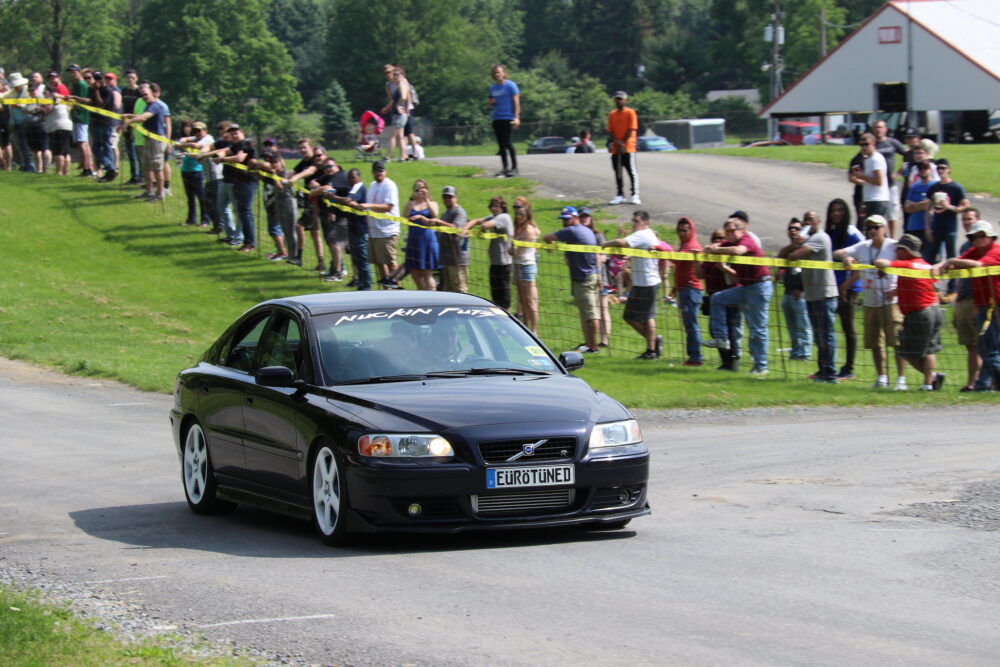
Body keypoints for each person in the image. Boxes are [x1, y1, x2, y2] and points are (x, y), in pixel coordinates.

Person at [835, 214, 907, 390]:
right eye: (869, 228)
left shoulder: (893, 246)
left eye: (876, 227)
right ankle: (882, 376)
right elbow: (837, 252)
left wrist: (899, 290)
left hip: (891, 300)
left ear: (884, 228)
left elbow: (908, 266)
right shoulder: (863, 246)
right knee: (875, 342)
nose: (872, 231)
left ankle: (901, 379)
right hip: (870, 300)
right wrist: (846, 258)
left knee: (896, 340)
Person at [702, 218, 773, 377]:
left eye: (733, 230)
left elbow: (738, 251)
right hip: (746, 287)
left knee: (757, 328)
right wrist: (712, 247)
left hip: (760, 286)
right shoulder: (729, 242)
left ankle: (761, 367)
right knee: (717, 299)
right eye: (727, 231)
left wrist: (716, 251)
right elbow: (711, 248)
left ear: (741, 230)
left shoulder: (747, 240)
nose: (729, 234)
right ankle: (721, 338)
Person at [935, 219, 1000, 392]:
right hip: (985, 306)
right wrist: (943, 264)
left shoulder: (995, 251)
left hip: (996, 306)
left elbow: (978, 265)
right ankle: (982, 385)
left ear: (991, 237)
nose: (978, 240)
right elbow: (959, 261)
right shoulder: (975, 251)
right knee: (987, 348)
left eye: (981, 236)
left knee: (991, 349)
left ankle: (988, 384)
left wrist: (949, 261)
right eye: (973, 237)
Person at [874, 234, 944, 391]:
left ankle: (932, 378)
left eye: (898, 249)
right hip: (934, 309)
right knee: (929, 350)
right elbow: (934, 287)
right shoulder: (925, 265)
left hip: (920, 313)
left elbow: (881, 263)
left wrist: (880, 264)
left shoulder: (907, 265)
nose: (896, 252)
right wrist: (898, 291)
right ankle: (928, 384)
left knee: (906, 351)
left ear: (906, 250)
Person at [788, 210, 840, 382]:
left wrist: (797, 245)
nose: (807, 223)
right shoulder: (808, 240)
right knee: (819, 336)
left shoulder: (820, 238)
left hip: (824, 294)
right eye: (805, 220)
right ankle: (823, 370)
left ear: (819, 221)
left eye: (810, 219)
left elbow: (796, 255)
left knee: (826, 335)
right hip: (812, 294)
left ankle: (830, 373)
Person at [603, 210, 662, 359]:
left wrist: (604, 244)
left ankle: (651, 351)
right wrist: (629, 255)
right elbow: (637, 249)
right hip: (639, 282)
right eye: (633, 221)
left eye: (636, 221)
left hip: (648, 282)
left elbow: (622, 242)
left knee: (647, 316)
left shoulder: (643, 234)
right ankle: (654, 342)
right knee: (629, 316)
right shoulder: (645, 235)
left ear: (645, 223)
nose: (633, 223)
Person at [544, 207, 600, 353]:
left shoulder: (571, 231)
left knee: (590, 314)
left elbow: (547, 237)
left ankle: (593, 347)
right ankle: (589, 344)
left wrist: (550, 245)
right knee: (585, 313)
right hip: (589, 275)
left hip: (584, 278)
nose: (564, 222)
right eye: (563, 219)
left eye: (567, 219)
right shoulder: (585, 229)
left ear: (575, 218)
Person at [946, 208, 988, 390]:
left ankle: (986, 381)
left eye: (969, 219)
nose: (966, 223)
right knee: (970, 345)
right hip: (964, 298)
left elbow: (984, 274)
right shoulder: (965, 246)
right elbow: (960, 274)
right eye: (964, 220)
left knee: (986, 345)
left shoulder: (988, 249)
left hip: (979, 301)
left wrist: (979, 304)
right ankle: (972, 383)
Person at [826, 198, 864, 380]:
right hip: (831, 286)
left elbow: (861, 259)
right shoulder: (830, 233)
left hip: (849, 287)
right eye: (833, 210)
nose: (836, 213)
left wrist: (846, 286)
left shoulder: (852, 233)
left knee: (848, 327)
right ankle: (828, 365)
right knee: (826, 327)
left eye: (840, 210)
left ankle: (849, 368)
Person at [695, 228, 743, 370]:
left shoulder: (729, 256)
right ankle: (725, 361)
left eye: (720, 238)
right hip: (714, 300)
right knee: (715, 330)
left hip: (730, 297)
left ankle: (733, 361)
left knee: (731, 329)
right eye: (714, 238)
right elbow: (700, 275)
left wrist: (723, 267)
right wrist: (696, 259)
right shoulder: (711, 257)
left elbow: (736, 277)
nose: (717, 241)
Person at [925, 157, 970, 301]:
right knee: (930, 257)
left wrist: (949, 207)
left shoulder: (956, 187)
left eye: (943, 168)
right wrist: (927, 227)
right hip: (936, 227)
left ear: (949, 169)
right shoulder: (934, 187)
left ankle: (951, 290)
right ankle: (931, 287)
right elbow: (928, 208)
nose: (941, 171)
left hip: (950, 227)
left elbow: (965, 206)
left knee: (951, 258)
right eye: (938, 168)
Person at [413, 185, 469, 294]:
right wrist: (422, 219)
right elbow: (436, 225)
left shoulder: (459, 212)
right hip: (446, 259)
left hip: (457, 260)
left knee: (460, 292)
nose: (447, 199)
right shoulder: (445, 213)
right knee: (448, 292)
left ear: (456, 198)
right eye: (445, 197)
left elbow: (456, 228)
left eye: (450, 196)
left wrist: (439, 222)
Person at [353, 161, 400, 288]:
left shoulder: (390, 185)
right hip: (373, 230)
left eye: (381, 170)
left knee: (391, 262)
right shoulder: (372, 185)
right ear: (372, 172)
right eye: (376, 170)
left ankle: (398, 291)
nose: (378, 173)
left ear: (385, 171)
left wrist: (367, 206)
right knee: (380, 262)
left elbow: (388, 207)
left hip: (387, 230)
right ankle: (386, 289)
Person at [121, 82, 170, 202]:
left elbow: (143, 117)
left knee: (157, 169)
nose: (144, 97)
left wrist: (128, 122)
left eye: (146, 94)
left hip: (156, 141)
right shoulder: (148, 105)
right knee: (147, 167)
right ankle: (149, 192)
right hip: (147, 140)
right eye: (142, 95)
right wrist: (130, 116)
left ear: (153, 93)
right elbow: (143, 115)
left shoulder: (156, 105)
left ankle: (159, 194)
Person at [465, 196, 514, 309]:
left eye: (496, 206)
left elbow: (485, 225)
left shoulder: (504, 217)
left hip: (504, 264)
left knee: (504, 299)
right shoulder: (494, 217)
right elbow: (477, 221)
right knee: (495, 298)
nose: (493, 208)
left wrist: (482, 229)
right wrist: (465, 229)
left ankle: (508, 320)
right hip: (495, 262)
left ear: (502, 207)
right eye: (491, 206)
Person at [216, 124, 257, 252]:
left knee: (245, 212)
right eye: (232, 133)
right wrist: (216, 155)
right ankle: (244, 240)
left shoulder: (247, 143)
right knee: (241, 212)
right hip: (238, 181)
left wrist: (222, 159)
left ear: (242, 132)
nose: (234, 135)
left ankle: (249, 242)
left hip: (247, 182)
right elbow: (225, 150)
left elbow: (239, 158)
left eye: (236, 133)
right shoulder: (236, 145)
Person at [777, 219, 812, 362]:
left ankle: (805, 353)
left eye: (797, 229)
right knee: (792, 327)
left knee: (803, 325)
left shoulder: (807, 248)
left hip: (800, 293)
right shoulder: (789, 249)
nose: (793, 231)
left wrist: (802, 289)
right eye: (791, 228)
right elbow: (780, 255)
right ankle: (795, 352)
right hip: (787, 292)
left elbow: (808, 271)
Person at [329, 168, 370, 290]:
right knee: (356, 258)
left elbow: (347, 201)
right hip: (353, 228)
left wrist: (332, 196)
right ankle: (359, 282)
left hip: (360, 229)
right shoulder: (352, 188)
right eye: (349, 178)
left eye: (353, 177)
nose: (350, 180)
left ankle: (366, 286)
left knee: (363, 261)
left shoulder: (358, 187)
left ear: (359, 177)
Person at [672, 217, 705, 366]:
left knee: (692, 325)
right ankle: (694, 356)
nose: (682, 233)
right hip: (684, 289)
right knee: (689, 324)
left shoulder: (692, 245)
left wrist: (660, 247)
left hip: (691, 290)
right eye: (679, 231)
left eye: (685, 230)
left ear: (692, 231)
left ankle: (696, 358)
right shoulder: (684, 245)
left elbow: (675, 260)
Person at [580, 208, 611, 346]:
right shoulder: (577, 237)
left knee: (603, 308)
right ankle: (589, 340)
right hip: (583, 277)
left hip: (600, 276)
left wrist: (596, 261)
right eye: (582, 217)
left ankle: (604, 340)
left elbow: (605, 256)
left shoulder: (597, 236)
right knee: (589, 310)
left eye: (587, 216)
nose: (585, 219)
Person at [401, 179, 439, 291]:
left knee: (427, 272)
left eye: (422, 187)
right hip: (413, 240)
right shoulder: (411, 203)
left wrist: (426, 199)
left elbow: (435, 214)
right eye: (417, 187)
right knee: (414, 271)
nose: (420, 190)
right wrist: (412, 198)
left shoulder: (432, 203)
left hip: (427, 240)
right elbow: (404, 215)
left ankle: (433, 298)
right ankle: (423, 295)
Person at [872, 119, 906, 238]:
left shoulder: (892, 143)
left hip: (891, 184)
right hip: (877, 186)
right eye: (876, 127)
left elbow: (907, 155)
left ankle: (892, 238)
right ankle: (881, 237)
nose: (878, 130)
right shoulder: (872, 145)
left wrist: (899, 172)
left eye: (881, 127)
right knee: (880, 214)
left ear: (885, 129)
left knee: (892, 214)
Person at [257, 150, 292, 261]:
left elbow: (280, 188)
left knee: (275, 228)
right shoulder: (268, 172)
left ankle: (282, 252)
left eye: (272, 160)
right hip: (269, 203)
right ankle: (278, 250)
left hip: (277, 204)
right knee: (273, 228)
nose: (267, 162)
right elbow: (260, 176)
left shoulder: (282, 173)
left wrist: (273, 173)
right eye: (266, 159)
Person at [512, 196, 540, 332]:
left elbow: (517, 251)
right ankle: (526, 327)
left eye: (521, 214)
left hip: (527, 266)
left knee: (530, 302)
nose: (519, 216)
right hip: (518, 264)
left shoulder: (528, 229)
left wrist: (511, 249)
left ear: (527, 214)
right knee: (522, 300)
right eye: (517, 214)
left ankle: (534, 330)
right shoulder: (518, 228)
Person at [175, 120, 211, 227]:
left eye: (199, 130)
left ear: (205, 130)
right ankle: (191, 219)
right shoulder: (193, 138)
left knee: (201, 196)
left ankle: (205, 220)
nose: (197, 133)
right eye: (194, 131)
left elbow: (195, 145)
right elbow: (181, 142)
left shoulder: (207, 139)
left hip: (197, 170)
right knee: (190, 197)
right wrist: (183, 141)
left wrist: (183, 144)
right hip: (186, 170)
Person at [848, 132, 890, 222]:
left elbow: (879, 181)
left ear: (873, 144)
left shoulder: (876, 159)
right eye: (861, 145)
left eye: (866, 144)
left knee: (877, 228)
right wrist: (864, 202)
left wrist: (861, 176)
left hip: (878, 200)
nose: (864, 147)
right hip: (870, 199)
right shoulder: (868, 159)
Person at [607, 91, 640, 205]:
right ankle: (620, 194)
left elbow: (631, 129)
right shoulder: (612, 114)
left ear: (625, 100)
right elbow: (610, 131)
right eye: (617, 99)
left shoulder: (630, 113)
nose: (619, 101)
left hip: (628, 147)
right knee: (618, 172)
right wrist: (616, 142)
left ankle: (635, 194)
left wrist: (623, 143)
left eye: (621, 99)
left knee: (631, 171)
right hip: (616, 148)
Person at [488, 64, 520, 178]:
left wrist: (516, 117)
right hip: (497, 118)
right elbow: (490, 102)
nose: (497, 74)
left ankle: (515, 167)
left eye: (499, 72)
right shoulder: (492, 87)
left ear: (504, 73)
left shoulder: (511, 85)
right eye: (495, 73)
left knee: (507, 143)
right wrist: (491, 102)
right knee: (501, 145)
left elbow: (516, 102)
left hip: (508, 118)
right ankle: (505, 168)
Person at [65, 65, 93, 177]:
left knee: (83, 143)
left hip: (82, 116)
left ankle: (88, 169)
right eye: (71, 72)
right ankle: (85, 166)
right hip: (77, 116)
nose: (72, 74)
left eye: (74, 72)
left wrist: (73, 98)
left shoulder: (81, 84)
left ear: (78, 72)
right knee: (80, 143)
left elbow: (85, 100)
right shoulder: (75, 84)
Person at [903, 160, 939, 243]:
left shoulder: (935, 185)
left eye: (925, 168)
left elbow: (933, 204)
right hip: (913, 226)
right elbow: (907, 208)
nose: (922, 170)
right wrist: (923, 205)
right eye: (920, 168)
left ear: (930, 170)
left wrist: (914, 205)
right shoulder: (914, 186)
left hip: (929, 226)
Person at [41, 84, 73, 176]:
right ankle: (66, 172)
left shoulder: (51, 100)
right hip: (67, 126)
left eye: (45, 92)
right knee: (66, 151)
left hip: (57, 127)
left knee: (58, 151)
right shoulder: (63, 100)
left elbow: (47, 111)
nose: (43, 94)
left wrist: (40, 109)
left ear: (50, 92)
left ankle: (58, 172)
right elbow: (69, 108)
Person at [120, 69, 142, 184]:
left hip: (137, 123)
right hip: (126, 123)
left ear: (136, 78)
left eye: (132, 78)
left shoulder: (139, 91)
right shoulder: (124, 91)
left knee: (138, 151)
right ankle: (134, 176)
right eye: (128, 78)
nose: (130, 80)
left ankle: (141, 175)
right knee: (130, 152)